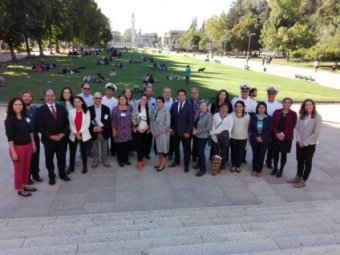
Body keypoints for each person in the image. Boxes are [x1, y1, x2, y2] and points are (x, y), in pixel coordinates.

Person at [36, 89, 71, 185]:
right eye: (48, 96)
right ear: (44, 97)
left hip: (61, 139)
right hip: (48, 140)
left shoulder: (61, 108)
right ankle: (51, 176)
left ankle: (62, 174)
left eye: (52, 95)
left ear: (55, 96)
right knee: (49, 159)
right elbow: (39, 126)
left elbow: (67, 123)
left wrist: (63, 134)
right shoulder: (40, 110)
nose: (50, 97)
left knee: (61, 157)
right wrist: (50, 136)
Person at [5, 97, 37, 197]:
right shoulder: (9, 120)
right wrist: (13, 151)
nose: (18, 106)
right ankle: (20, 189)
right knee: (19, 169)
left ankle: (25, 184)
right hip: (17, 148)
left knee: (27, 167)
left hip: (28, 146)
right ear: (11, 106)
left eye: (20, 104)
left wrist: (33, 143)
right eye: (16, 104)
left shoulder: (25, 116)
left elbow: (30, 131)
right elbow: (10, 138)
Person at [287, 99, 322, 188]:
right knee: (299, 160)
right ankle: (298, 176)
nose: (308, 106)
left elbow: (316, 133)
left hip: (310, 144)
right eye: (306, 105)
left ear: (313, 106)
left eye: (310, 104)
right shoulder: (302, 116)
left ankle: (303, 180)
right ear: (304, 106)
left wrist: (305, 142)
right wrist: (299, 140)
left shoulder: (317, 117)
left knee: (308, 162)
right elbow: (297, 128)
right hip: (299, 142)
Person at [271, 98, 297, 177]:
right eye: (285, 102)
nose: (286, 104)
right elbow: (273, 124)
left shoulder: (293, 114)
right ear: (282, 103)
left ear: (291, 104)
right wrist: (277, 134)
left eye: (289, 102)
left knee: (283, 154)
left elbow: (292, 126)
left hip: (286, 137)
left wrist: (282, 134)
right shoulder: (277, 112)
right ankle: (275, 168)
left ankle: (281, 169)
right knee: (275, 153)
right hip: (276, 136)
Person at [169, 89, 194, 172]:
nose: (181, 97)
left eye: (183, 95)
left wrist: (188, 132)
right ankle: (177, 161)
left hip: (185, 132)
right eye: (179, 95)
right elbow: (171, 118)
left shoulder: (189, 106)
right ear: (177, 96)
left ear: (185, 96)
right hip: (175, 132)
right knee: (176, 148)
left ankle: (186, 164)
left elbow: (191, 120)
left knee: (186, 149)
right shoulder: (174, 105)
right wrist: (171, 128)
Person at [21, 91, 43, 183]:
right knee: (27, 159)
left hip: (35, 137)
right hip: (23, 139)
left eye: (29, 97)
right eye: (25, 96)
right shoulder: (19, 109)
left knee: (35, 157)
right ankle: (27, 176)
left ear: (31, 98)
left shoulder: (35, 109)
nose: (27, 98)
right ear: (22, 98)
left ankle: (36, 175)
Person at [67, 96, 91, 174]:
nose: (76, 103)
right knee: (72, 152)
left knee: (84, 152)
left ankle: (85, 166)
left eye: (78, 102)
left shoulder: (86, 111)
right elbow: (70, 124)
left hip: (84, 134)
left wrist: (80, 132)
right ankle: (71, 167)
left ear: (82, 102)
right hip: (73, 135)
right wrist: (75, 133)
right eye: (75, 102)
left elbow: (87, 124)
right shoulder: (71, 111)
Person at [249, 102, 273, 177]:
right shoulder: (253, 117)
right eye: (260, 107)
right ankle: (254, 169)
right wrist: (256, 137)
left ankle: (259, 170)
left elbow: (270, 130)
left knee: (261, 155)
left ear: (265, 109)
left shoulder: (269, 118)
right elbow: (250, 129)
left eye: (263, 108)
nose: (261, 109)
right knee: (255, 154)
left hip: (264, 140)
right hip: (254, 139)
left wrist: (262, 137)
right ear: (257, 108)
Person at [88, 92, 111, 168]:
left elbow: (108, 121)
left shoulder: (106, 108)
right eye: (96, 98)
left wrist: (102, 128)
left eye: (99, 98)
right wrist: (95, 128)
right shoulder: (89, 109)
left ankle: (105, 160)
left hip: (104, 131)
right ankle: (95, 161)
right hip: (94, 132)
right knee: (95, 148)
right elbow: (88, 121)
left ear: (101, 98)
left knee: (104, 147)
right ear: (93, 98)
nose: (98, 99)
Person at [210, 103, 234, 174]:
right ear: (220, 108)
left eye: (225, 108)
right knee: (216, 153)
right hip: (215, 137)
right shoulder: (215, 115)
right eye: (222, 108)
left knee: (223, 153)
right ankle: (216, 167)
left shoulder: (230, 117)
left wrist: (221, 134)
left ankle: (222, 167)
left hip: (225, 138)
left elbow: (230, 128)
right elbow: (212, 126)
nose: (224, 109)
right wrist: (216, 134)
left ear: (228, 109)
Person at [192, 101, 213, 177]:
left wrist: (197, 131)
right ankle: (199, 163)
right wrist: (193, 128)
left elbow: (208, 127)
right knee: (197, 151)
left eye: (204, 106)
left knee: (201, 152)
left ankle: (202, 169)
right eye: (201, 106)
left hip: (203, 136)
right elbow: (194, 122)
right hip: (196, 135)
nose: (202, 107)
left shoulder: (209, 115)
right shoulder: (198, 112)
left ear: (207, 107)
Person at [111, 95, 133, 167]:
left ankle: (126, 160)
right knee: (119, 147)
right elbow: (113, 121)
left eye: (123, 99)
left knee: (126, 146)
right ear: (118, 100)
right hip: (118, 131)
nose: (122, 100)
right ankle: (120, 160)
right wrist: (114, 131)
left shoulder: (130, 108)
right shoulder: (115, 109)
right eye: (120, 99)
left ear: (126, 100)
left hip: (127, 131)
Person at [230, 101, 250, 173]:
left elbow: (248, 127)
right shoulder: (231, 115)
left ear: (243, 107)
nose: (238, 108)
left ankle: (238, 166)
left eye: (240, 106)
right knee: (233, 152)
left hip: (243, 137)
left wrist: (248, 138)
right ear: (235, 107)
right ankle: (233, 165)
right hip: (233, 137)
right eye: (237, 106)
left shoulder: (247, 115)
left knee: (240, 153)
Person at [264, 86, 282, 169]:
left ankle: (268, 161)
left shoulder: (279, 105)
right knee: (263, 145)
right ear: (267, 94)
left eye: (273, 93)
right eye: (269, 93)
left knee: (271, 147)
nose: (271, 95)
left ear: (276, 94)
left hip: (274, 128)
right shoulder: (264, 103)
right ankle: (260, 159)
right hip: (264, 128)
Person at [151, 97, 171, 172]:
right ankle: (160, 162)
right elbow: (152, 122)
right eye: (157, 102)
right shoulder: (155, 111)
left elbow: (167, 125)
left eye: (160, 102)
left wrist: (159, 132)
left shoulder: (166, 112)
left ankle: (162, 164)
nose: (158, 103)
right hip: (155, 134)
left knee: (163, 150)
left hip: (163, 134)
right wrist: (153, 131)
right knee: (158, 150)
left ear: (163, 103)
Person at [132, 95, 151, 171]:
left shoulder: (149, 109)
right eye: (142, 99)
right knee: (139, 146)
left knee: (144, 146)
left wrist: (147, 127)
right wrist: (138, 128)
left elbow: (151, 120)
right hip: (138, 130)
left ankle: (142, 158)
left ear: (147, 101)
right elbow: (133, 119)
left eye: (145, 99)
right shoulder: (135, 108)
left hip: (146, 130)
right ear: (140, 100)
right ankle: (139, 161)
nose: (143, 100)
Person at [102, 83, 118, 156]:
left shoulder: (115, 100)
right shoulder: (102, 99)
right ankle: (106, 150)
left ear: (113, 92)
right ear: (106, 91)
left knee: (113, 136)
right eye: (108, 90)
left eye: (111, 91)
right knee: (105, 137)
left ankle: (113, 150)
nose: (109, 92)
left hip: (113, 121)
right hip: (104, 121)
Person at [189, 87, 201, 162]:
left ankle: (194, 155)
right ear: (190, 94)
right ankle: (188, 155)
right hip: (189, 126)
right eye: (192, 93)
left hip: (198, 126)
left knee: (196, 143)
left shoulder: (201, 103)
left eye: (195, 93)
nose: (194, 95)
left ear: (198, 94)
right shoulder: (187, 102)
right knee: (187, 143)